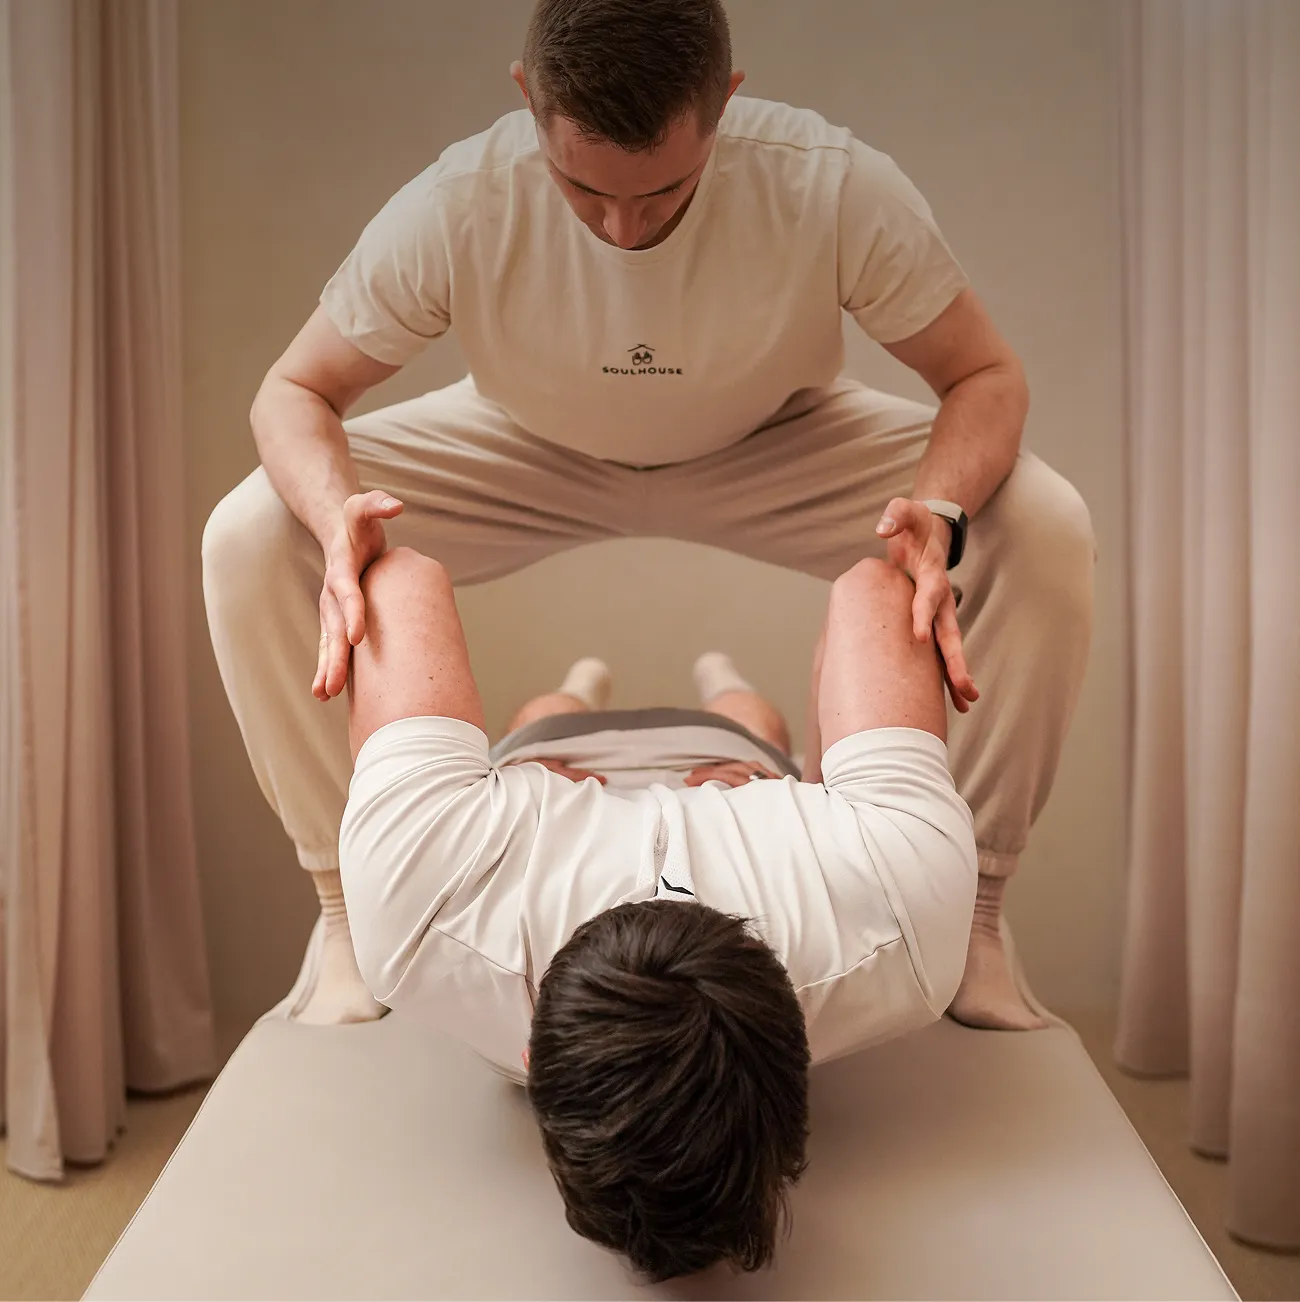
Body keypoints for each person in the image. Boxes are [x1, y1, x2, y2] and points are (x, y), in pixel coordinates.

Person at [203, 0, 1094, 1032]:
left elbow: (984, 375)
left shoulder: (833, 187)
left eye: (665, 190)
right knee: (252, 532)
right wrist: (334, 516)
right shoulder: (456, 203)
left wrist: (939, 513)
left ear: (725, 103)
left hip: (776, 442)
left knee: (1043, 520)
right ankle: (342, 910)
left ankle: (977, 916)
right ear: (529, 101)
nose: (623, 229)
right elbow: (293, 390)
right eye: (584, 189)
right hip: (525, 446)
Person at [338, 539, 978, 1281]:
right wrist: (805, 800)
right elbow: (877, 587)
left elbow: (396, 577)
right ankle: (722, 680)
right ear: (800, 1058)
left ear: (531, 1059)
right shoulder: (899, 907)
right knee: (755, 724)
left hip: (553, 754)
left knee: (540, 714)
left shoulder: (421, 907)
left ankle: (577, 688)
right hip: (730, 757)